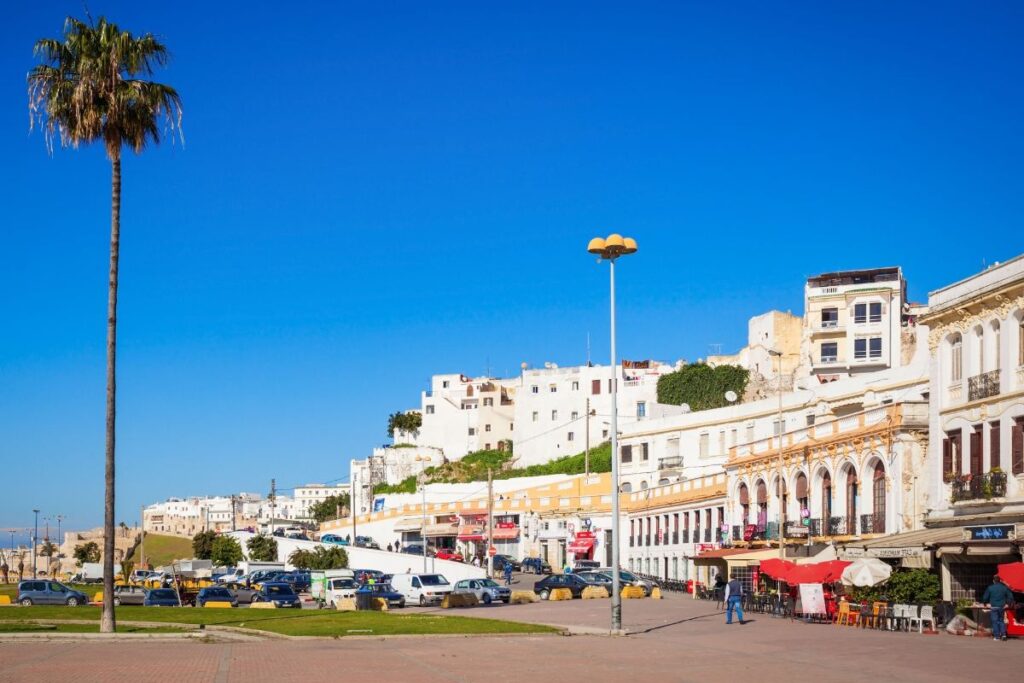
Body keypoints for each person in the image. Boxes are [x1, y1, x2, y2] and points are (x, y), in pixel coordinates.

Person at [982, 574, 1015, 641]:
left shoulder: (990, 588)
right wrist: (1008, 604)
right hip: (1001, 607)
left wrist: (985, 603)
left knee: (995, 621)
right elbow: (1010, 596)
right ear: (1000, 581)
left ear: (993, 581)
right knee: (1001, 621)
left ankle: (997, 636)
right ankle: (1003, 635)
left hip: (993, 607)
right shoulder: (1004, 588)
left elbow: (985, 597)